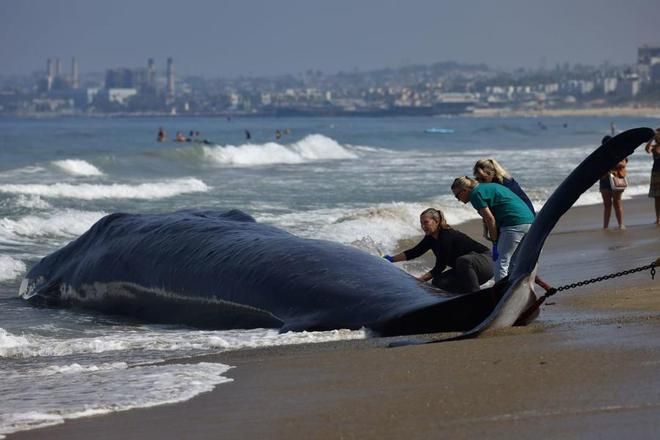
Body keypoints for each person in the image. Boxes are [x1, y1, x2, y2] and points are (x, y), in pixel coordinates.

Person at [383, 208, 493, 293]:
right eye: (421, 223)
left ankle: (476, 295)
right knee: (438, 282)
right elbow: (414, 252)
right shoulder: (431, 238)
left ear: (436, 221)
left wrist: (420, 280)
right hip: (468, 271)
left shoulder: (447, 235)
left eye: (426, 222)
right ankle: (462, 297)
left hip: (486, 263)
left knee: (463, 260)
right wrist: (390, 259)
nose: (423, 226)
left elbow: (440, 266)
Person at [451, 176, 535, 282]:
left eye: (457, 196)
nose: (458, 199)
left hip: (513, 224)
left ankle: (502, 293)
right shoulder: (489, 186)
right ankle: (514, 286)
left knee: (500, 262)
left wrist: (494, 240)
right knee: (513, 260)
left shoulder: (475, 194)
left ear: (465, 190)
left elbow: (490, 219)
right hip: (529, 221)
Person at [599, 135, 628, 229]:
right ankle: (605, 226)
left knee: (617, 202)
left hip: (617, 178)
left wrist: (611, 163)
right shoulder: (600, 154)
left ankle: (621, 224)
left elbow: (623, 163)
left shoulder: (620, 152)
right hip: (604, 180)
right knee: (607, 205)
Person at [645, 128, 660, 225]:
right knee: (657, 197)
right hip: (656, 173)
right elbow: (647, 149)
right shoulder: (654, 147)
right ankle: (658, 218)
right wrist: (652, 138)